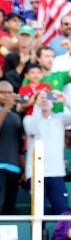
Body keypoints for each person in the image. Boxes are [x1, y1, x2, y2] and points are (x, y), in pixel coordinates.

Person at [24, 90, 71, 215]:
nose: (45, 100)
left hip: (56, 172)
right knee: (39, 213)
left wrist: (65, 99)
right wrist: (37, 106)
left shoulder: (59, 119)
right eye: (41, 98)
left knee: (62, 210)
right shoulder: (29, 119)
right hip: (36, 174)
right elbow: (32, 129)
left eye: (48, 97)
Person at [0, 81, 24, 215]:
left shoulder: (16, 117)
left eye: (10, 92)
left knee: (9, 208)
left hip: (14, 169)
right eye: (4, 93)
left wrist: (24, 170)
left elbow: (19, 146)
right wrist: (5, 108)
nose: (8, 95)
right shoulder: (5, 112)